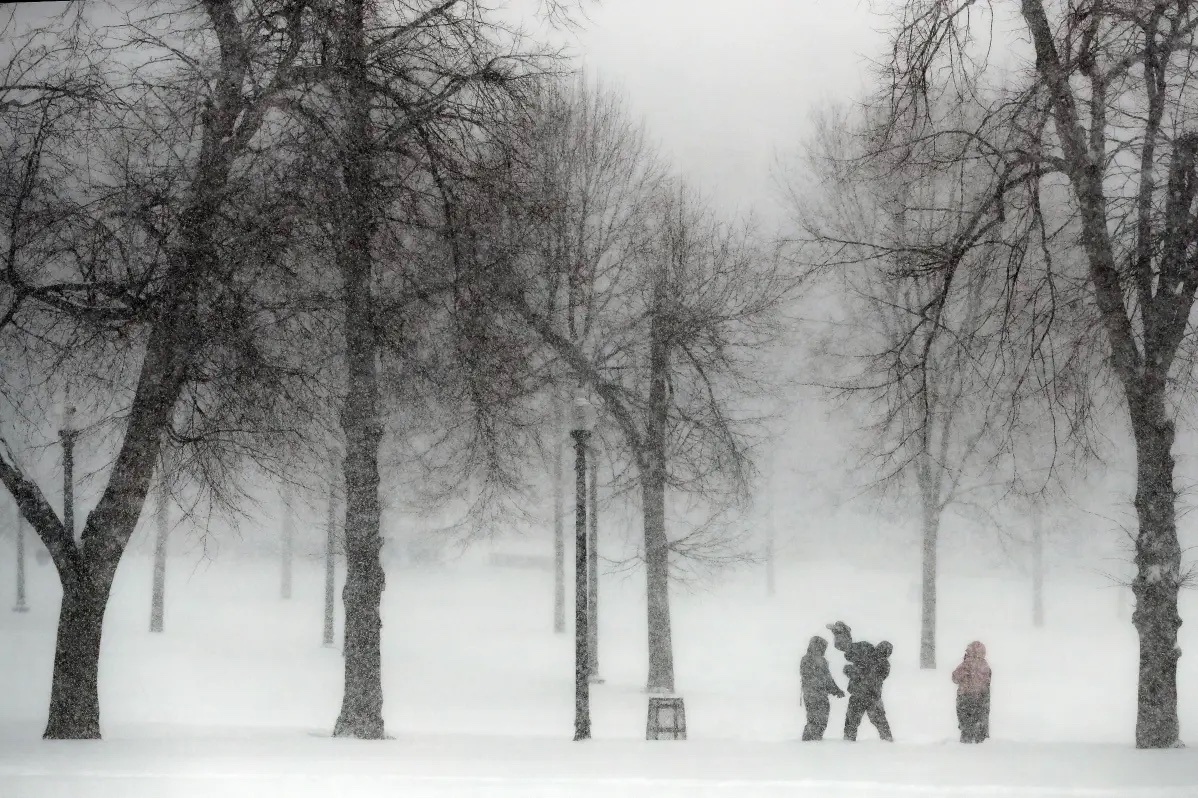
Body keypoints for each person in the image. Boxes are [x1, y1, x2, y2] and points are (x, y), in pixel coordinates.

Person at [826, 621, 894, 742]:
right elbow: (848, 650)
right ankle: (888, 742)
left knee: (853, 723)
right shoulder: (878, 659)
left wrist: (852, 671)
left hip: (861, 696)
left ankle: (849, 743)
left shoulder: (870, 654)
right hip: (872, 697)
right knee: (879, 722)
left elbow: (849, 651)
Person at [800, 636, 845, 741]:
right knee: (814, 720)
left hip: (821, 695)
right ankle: (808, 742)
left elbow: (828, 678)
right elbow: (809, 676)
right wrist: (820, 684)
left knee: (822, 720)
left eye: (824, 647)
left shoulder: (823, 661)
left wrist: (836, 690)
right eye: (822, 647)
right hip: (812, 695)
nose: (823, 649)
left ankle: (816, 740)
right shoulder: (807, 659)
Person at [952, 640, 991, 743]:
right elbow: (987, 684)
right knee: (979, 719)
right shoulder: (985, 666)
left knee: (965, 721)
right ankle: (980, 737)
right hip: (980, 698)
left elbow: (955, 678)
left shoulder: (965, 665)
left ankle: (966, 738)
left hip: (965, 697)